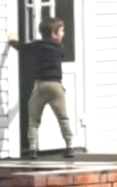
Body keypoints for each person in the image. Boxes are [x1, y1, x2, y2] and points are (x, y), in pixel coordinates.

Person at [8, 19, 74, 160]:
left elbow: (22, 48)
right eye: (61, 30)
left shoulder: (37, 46)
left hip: (40, 85)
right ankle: (69, 147)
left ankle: (32, 149)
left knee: (34, 119)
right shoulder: (60, 48)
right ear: (53, 34)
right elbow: (62, 57)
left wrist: (12, 41)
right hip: (56, 86)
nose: (63, 33)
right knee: (63, 117)